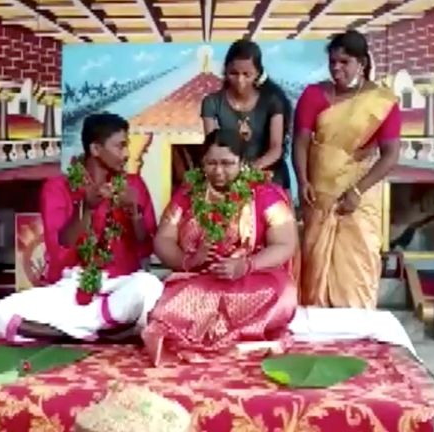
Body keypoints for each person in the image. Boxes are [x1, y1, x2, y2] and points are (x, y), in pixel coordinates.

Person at [0, 113, 163, 342]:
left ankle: (73, 331)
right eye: (120, 146)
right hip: (71, 289)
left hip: (121, 287)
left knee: (150, 287)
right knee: (2, 311)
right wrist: (87, 208)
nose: (127, 154)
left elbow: (145, 248)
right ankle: (100, 332)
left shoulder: (133, 185)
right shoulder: (57, 187)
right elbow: (61, 247)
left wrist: (134, 212)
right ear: (96, 149)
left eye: (126, 146)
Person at [142, 128, 298, 366]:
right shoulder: (187, 194)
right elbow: (163, 240)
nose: (218, 171)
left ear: (242, 162)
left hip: (254, 279)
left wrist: (245, 265)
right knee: (163, 308)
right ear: (201, 163)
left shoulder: (264, 194)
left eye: (227, 163)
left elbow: (285, 243)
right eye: (211, 163)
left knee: (281, 293)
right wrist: (188, 261)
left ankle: (229, 337)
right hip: (199, 279)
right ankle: (237, 338)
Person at [293, 30, 402, 309]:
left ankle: (356, 332)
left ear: (362, 63)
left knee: (357, 263)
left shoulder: (382, 102)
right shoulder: (313, 95)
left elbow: (390, 155)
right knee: (315, 263)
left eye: (344, 62)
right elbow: (301, 142)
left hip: (360, 194)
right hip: (318, 194)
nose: (336, 68)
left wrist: (356, 191)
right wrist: (303, 180)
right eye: (332, 62)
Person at [201, 39, 292, 188]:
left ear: (257, 73)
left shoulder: (273, 101)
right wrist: (231, 171)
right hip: (228, 177)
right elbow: (212, 147)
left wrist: (250, 170)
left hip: (268, 174)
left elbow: (276, 148)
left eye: (246, 74)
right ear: (225, 70)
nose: (240, 80)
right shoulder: (212, 102)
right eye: (233, 73)